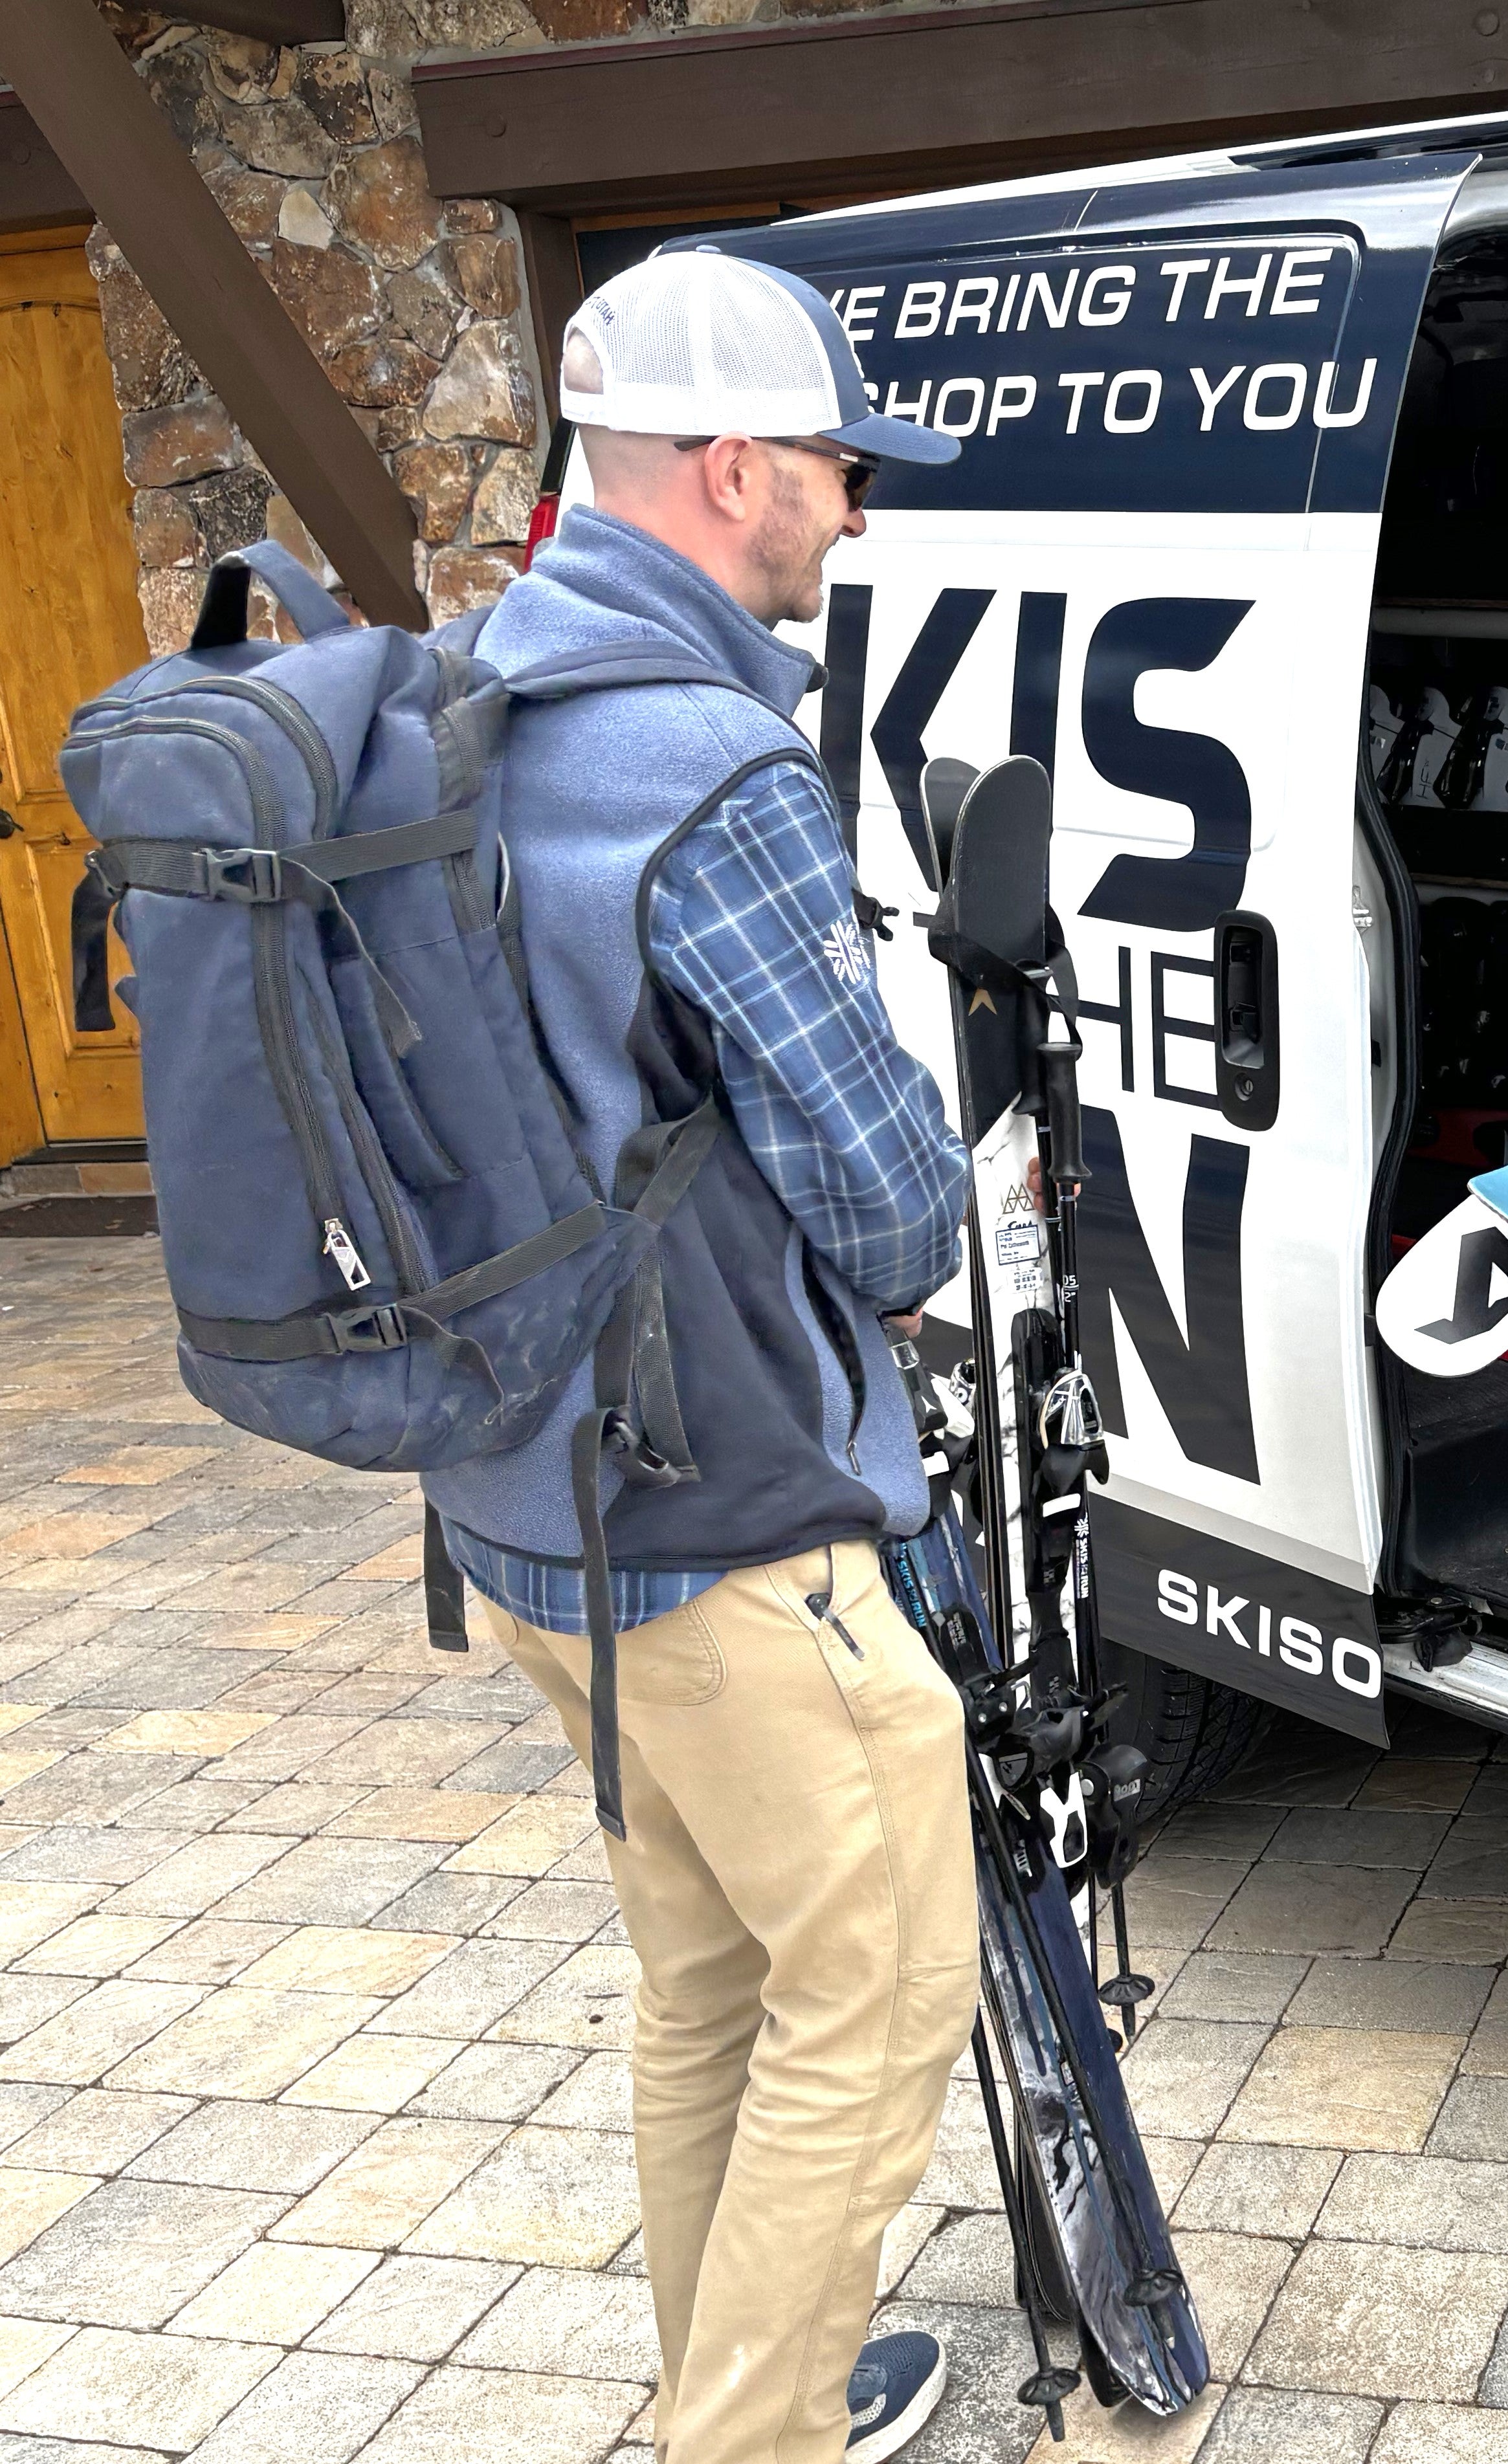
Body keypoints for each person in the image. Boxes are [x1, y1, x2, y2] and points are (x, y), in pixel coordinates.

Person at [418, 248, 975, 2464]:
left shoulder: (467, 697)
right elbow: (894, 1205)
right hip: (728, 1521)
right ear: (733, 463)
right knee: (886, 1981)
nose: (855, 510)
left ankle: (748, 2383)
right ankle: (740, 2440)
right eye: (839, 466)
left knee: (715, 1985)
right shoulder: (710, 759)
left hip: (526, 1505)